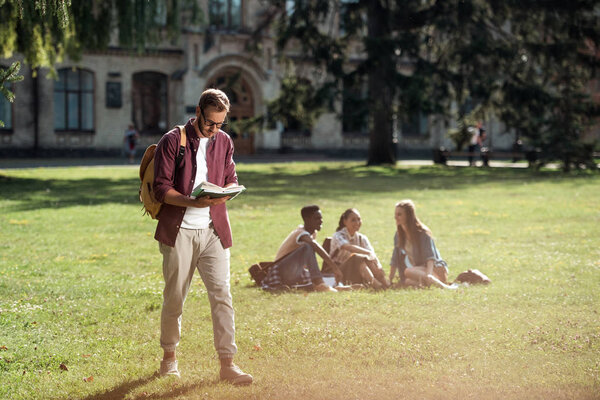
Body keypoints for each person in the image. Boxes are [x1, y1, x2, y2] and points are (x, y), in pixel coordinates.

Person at [152, 88, 252, 384]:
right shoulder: (173, 140)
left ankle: (228, 364)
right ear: (198, 111)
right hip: (179, 231)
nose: (214, 130)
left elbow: (230, 177)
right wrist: (191, 202)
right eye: (210, 123)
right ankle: (168, 358)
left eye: (220, 124)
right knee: (175, 297)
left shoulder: (224, 141)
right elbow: (160, 188)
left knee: (222, 295)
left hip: (213, 232)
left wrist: (228, 191)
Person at [262, 205, 343, 292]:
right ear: (307, 220)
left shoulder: (313, 233)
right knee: (308, 246)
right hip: (282, 272)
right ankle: (319, 283)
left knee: (327, 277)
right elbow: (314, 245)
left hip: (295, 272)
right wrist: (334, 267)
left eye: (321, 218)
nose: (321, 221)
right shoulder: (301, 233)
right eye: (317, 218)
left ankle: (337, 286)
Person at [389, 200, 451, 288]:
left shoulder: (422, 232)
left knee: (408, 272)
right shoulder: (398, 235)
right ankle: (429, 286)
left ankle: (445, 287)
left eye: (399, 214)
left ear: (408, 215)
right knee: (407, 281)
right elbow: (395, 258)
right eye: (395, 214)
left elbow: (430, 257)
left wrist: (428, 274)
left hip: (435, 269)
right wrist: (390, 279)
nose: (396, 217)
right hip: (420, 270)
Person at [326, 208, 389, 289]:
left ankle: (386, 284)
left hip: (354, 271)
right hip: (338, 272)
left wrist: (379, 266)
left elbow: (372, 254)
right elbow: (349, 247)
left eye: (359, 219)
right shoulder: (338, 235)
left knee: (368, 259)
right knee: (357, 257)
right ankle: (376, 285)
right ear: (345, 222)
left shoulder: (361, 238)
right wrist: (368, 253)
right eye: (353, 220)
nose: (357, 223)